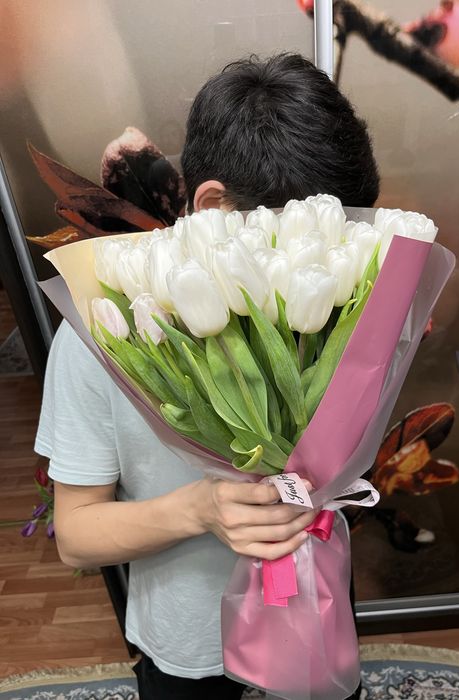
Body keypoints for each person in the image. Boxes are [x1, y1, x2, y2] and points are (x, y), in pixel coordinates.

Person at [35, 53, 379, 700]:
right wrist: (198, 509)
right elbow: (76, 536)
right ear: (214, 204)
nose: (333, 252)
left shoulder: (334, 294)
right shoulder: (109, 327)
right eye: (308, 231)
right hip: (189, 639)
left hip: (317, 599)